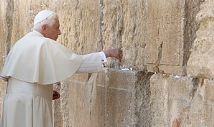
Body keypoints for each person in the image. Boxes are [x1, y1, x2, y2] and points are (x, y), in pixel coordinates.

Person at [0, 10, 122, 127]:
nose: (59, 32)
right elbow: (76, 63)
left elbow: (24, 79)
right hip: (31, 105)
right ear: (44, 28)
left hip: (13, 104)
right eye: (57, 27)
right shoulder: (43, 44)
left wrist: (45, 91)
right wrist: (106, 54)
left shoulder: (20, 43)